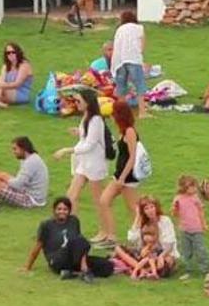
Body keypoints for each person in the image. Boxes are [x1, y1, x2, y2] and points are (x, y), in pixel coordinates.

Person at [53, 89, 110, 240]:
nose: (76, 104)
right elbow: (88, 137)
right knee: (71, 196)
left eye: (78, 101)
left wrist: (67, 150)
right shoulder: (87, 117)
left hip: (94, 164)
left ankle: (105, 232)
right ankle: (71, 231)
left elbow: (90, 144)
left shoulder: (96, 119)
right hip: (84, 164)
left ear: (88, 102)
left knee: (99, 200)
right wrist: (79, 132)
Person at [23, 197, 113, 284]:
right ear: (54, 210)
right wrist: (27, 267)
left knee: (107, 266)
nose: (62, 212)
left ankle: (73, 273)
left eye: (65, 209)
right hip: (57, 260)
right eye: (59, 209)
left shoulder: (74, 221)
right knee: (77, 240)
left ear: (69, 211)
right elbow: (38, 246)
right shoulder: (46, 225)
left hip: (73, 259)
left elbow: (81, 246)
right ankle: (84, 270)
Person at [97, 100, 141, 249]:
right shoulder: (123, 131)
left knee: (134, 209)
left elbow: (132, 156)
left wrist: (122, 177)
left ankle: (139, 238)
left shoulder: (130, 131)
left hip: (127, 177)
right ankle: (111, 236)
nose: (112, 117)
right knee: (104, 200)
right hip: (120, 175)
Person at [0, 136, 49, 209]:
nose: (13, 152)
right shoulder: (30, 158)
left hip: (31, 200)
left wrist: (2, 176)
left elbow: (17, 185)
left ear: (23, 148)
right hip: (30, 193)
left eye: (15, 149)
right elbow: (20, 182)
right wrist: (0, 176)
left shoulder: (30, 162)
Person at [114, 196, 179, 277]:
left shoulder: (164, 220)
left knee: (165, 264)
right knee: (118, 248)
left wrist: (161, 256)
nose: (150, 210)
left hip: (162, 253)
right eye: (146, 208)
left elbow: (170, 244)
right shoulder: (143, 222)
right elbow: (132, 239)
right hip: (145, 255)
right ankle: (141, 270)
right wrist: (137, 217)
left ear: (156, 207)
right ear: (143, 211)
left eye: (152, 207)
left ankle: (141, 270)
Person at [172, 175, 209, 280]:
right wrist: (175, 208)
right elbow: (175, 214)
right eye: (191, 186)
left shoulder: (195, 198)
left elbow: (200, 212)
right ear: (184, 187)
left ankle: (206, 270)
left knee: (201, 249)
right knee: (186, 251)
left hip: (196, 229)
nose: (194, 189)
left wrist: (204, 224)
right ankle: (188, 269)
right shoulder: (178, 199)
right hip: (184, 229)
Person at [111, 11, 148, 118]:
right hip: (134, 58)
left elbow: (116, 45)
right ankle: (142, 112)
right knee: (139, 85)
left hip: (120, 60)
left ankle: (122, 113)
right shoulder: (139, 28)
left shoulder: (119, 30)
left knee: (121, 87)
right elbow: (142, 46)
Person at [0, 42, 34, 112]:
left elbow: (17, 84)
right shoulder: (6, 66)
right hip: (7, 91)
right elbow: (1, 81)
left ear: (18, 53)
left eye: (13, 52)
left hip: (20, 93)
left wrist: (0, 85)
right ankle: (1, 104)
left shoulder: (24, 65)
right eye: (8, 53)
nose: (10, 54)